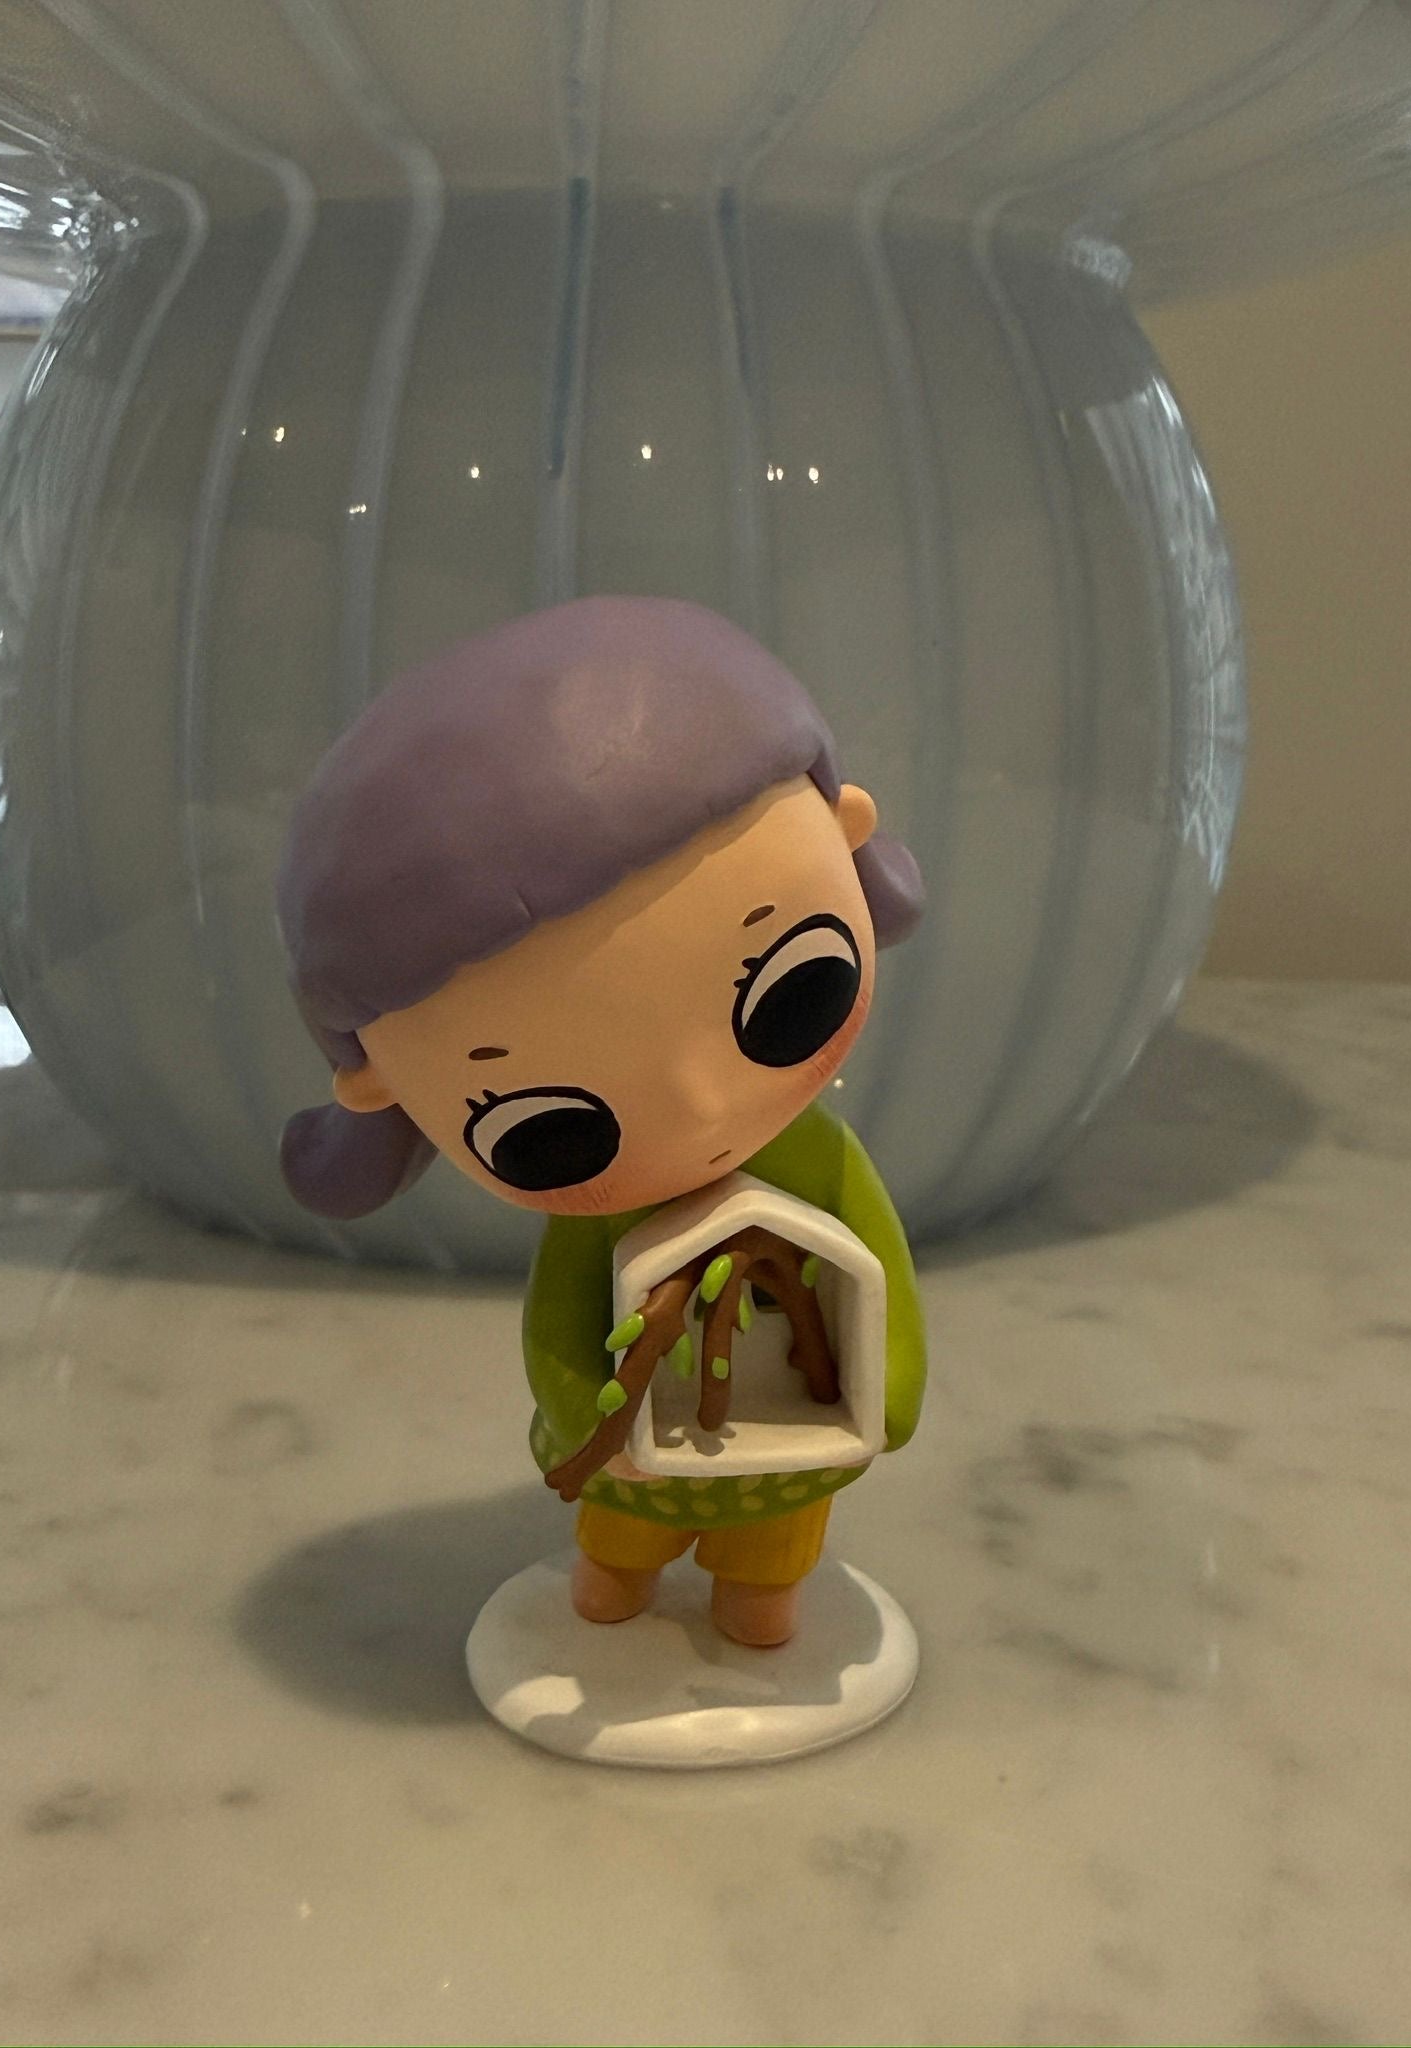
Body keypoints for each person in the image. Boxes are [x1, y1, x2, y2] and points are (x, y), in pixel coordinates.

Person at [276, 595, 926, 1647]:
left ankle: (756, 1597)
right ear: (382, 1088)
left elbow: (881, 1276)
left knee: (766, 1599)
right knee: (608, 1580)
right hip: (638, 1464)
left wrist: (886, 1391)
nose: (704, 1106)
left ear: (847, 829)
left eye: (793, 992)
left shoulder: (817, 1158)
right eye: (545, 1126)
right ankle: (623, 1574)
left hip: (798, 1445)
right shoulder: (603, 1225)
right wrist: (595, 1420)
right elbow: (559, 1328)